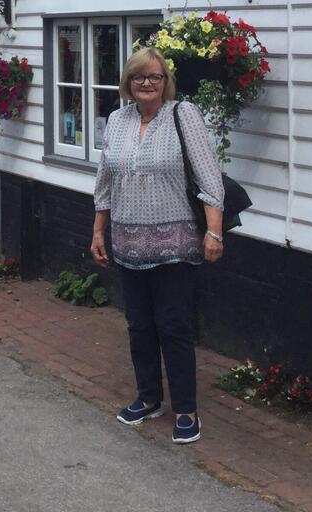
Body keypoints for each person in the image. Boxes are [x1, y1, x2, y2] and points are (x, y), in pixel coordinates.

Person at [91, 46, 226, 445]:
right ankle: (148, 398)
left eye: (154, 77)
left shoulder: (183, 116)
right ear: (127, 83)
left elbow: (209, 179)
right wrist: (99, 231)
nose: (146, 83)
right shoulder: (116, 120)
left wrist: (214, 232)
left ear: (166, 82)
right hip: (128, 243)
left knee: (174, 326)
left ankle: (185, 408)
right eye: (138, 77)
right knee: (139, 326)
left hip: (175, 244)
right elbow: (105, 180)